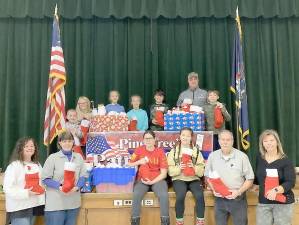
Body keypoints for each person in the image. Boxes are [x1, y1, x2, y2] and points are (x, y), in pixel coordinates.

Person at [204, 130, 254, 225]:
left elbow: (250, 179)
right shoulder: (212, 156)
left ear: (232, 141)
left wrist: (238, 192)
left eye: (228, 140)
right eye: (223, 139)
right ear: (218, 141)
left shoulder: (242, 157)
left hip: (238, 199)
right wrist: (213, 189)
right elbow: (207, 176)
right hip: (219, 199)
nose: (225, 142)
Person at [42, 131, 87, 225]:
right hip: (56, 204)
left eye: (70, 141)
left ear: (73, 142)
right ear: (60, 142)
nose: (67, 143)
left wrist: (77, 187)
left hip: (73, 203)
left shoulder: (78, 157)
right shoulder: (52, 158)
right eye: (64, 141)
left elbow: (83, 176)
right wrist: (60, 186)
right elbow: (45, 179)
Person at [254, 130, 296, 225]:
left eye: (271, 140)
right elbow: (258, 176)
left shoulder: (286, 160)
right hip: (263, 202)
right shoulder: (259, 158)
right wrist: (254, 185)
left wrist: (275, 190)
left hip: (282, 202)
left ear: (277, 142)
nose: (269, 143)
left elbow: (290, 182)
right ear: (262, 144)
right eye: (265, 141)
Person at [128, 130, 169, 225]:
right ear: (143, 140)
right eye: (146, 138)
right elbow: (129, 163)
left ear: (155, 139)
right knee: (136, 195)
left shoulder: (160, 152)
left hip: (157, 179)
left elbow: (164, 174)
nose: (148, 140)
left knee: (164, 196)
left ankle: (165, 222)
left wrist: (152, 182)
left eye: (150, 138)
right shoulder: (139, 150)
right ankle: (135, 222)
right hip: (142, 179)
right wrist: (139, 162)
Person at [167, 127, 205, 225]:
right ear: (180, 136)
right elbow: (170, 171)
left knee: (200, 195)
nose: (185, 137)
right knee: (180, 195)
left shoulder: (196, 151)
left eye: (188, 135)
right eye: (183, 135)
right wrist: (179, 168)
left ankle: (200, 221)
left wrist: (194, 168)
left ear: (191, 137)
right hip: (179, 178)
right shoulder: (174, 151)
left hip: (194, 179)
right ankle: (179, 221)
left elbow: (201, 171)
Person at [3, 137, 45, 225]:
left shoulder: (37, 165)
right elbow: (7, 188)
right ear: (20, 149)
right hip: (19, 208)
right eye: (26, 146)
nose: (30, 148)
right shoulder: (14, 166)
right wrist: (27, 193)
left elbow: (42, 182)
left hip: (34, 206)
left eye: (32, 146)